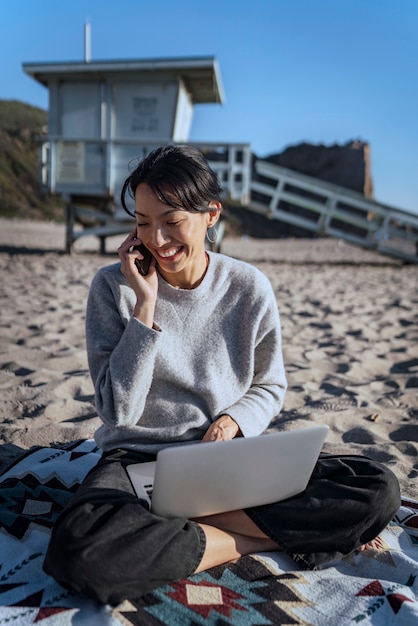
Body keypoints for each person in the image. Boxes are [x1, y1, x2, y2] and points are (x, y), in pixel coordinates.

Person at [43, 145, 400, 606]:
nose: (157, 238)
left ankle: (193, 530)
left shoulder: (248, 287)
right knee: (80, 551)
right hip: (136, 461)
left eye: (172, 220)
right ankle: (252, 539)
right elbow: (118, 412)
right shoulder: (113, 288)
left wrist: (234, 422)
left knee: (376, 488)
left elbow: (270, 385)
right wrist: (146, 310)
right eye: (143, 222)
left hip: (227, 460)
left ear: (211, 214)